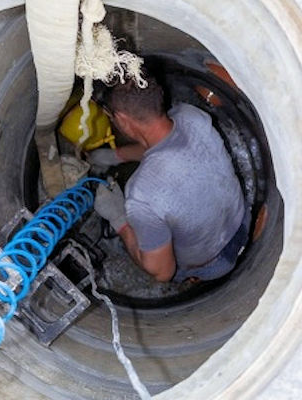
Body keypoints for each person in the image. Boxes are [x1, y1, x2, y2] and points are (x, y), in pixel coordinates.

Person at [90, 77, 251, 283]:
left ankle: (194, 279)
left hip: (214, 264)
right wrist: (116, 156)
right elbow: (163, 143)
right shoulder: (191, 116)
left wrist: (118, 219)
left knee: (137, 247)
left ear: (121, 119)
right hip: (242, 219)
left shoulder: (142, 194)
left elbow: (162, 273)